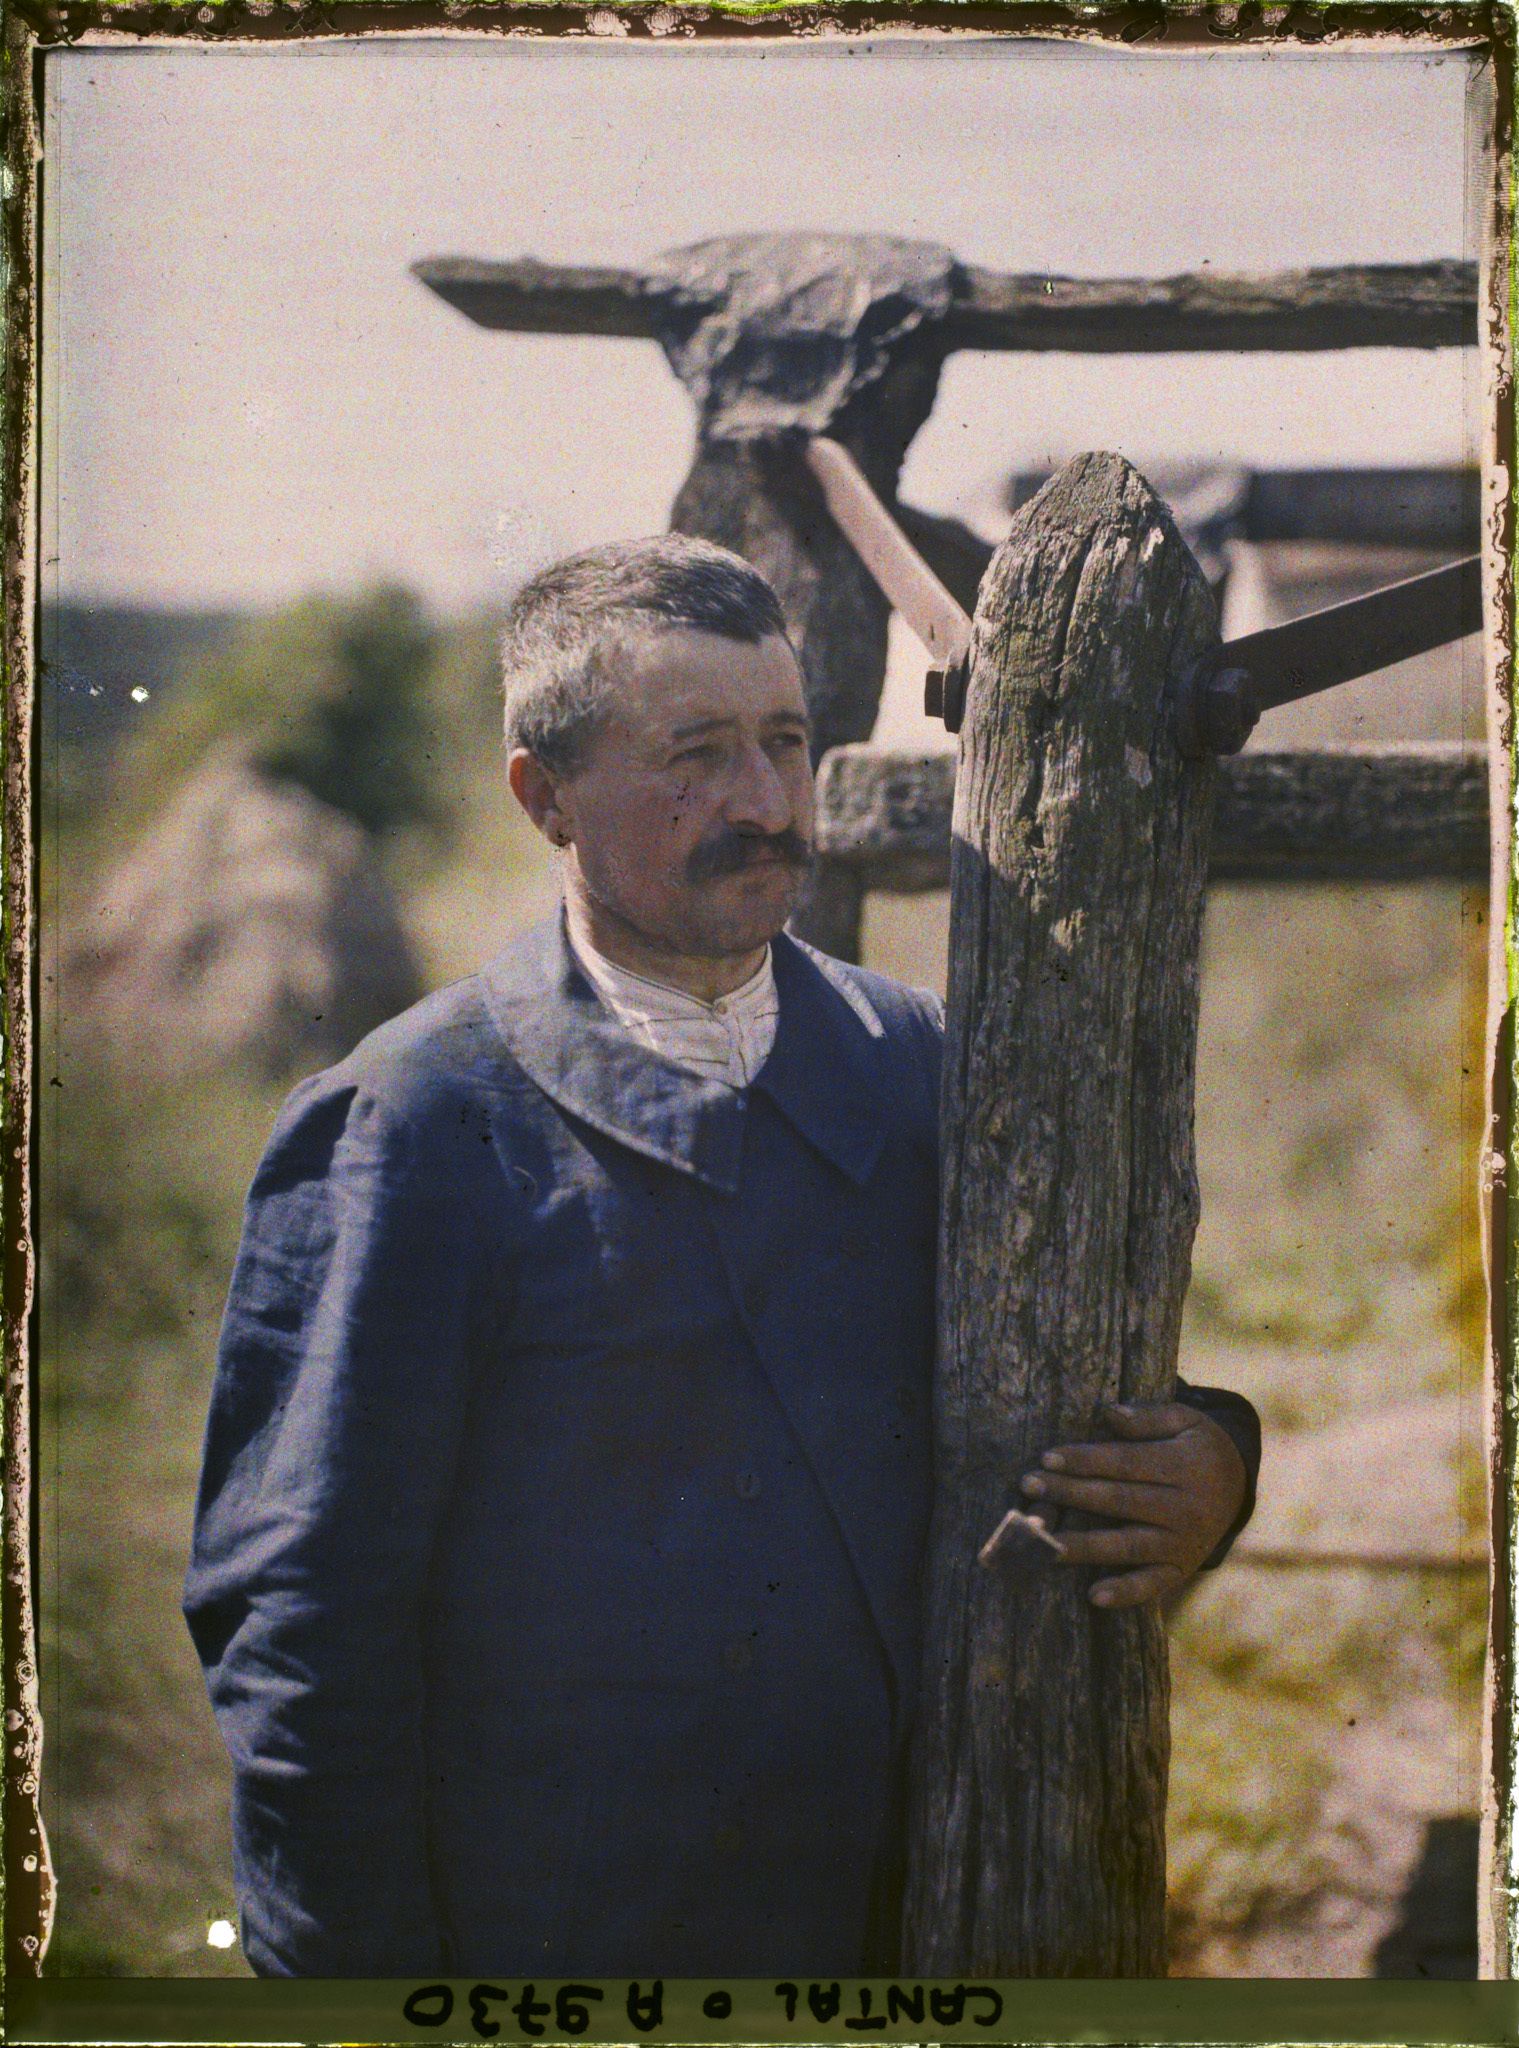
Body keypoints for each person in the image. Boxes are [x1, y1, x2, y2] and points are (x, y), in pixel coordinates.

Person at [184, 535, 1259, 1979]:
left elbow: (1085, 1386)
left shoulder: (928, 1068)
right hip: (553, 1955)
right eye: (694, 755)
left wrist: (1213, 1465)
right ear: (543, 796)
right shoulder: (414, 1123)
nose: (764, 805)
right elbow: (302, 1634)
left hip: (901, 1936)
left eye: (786, 742)